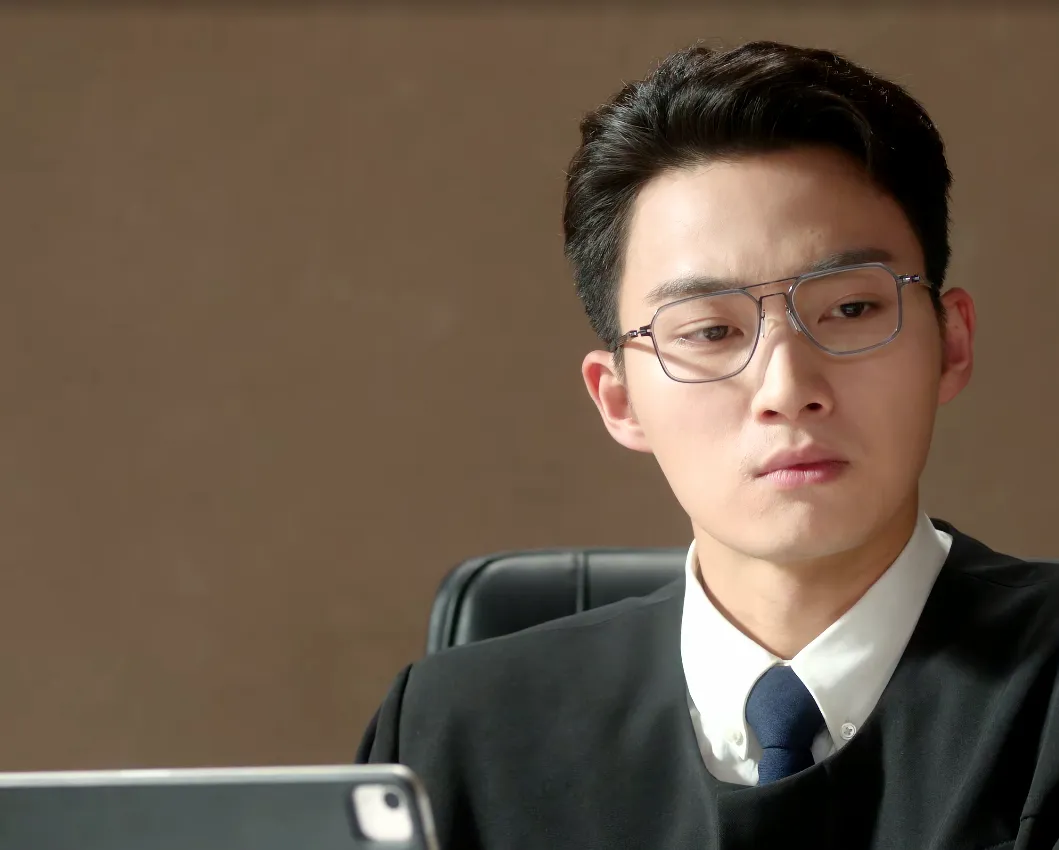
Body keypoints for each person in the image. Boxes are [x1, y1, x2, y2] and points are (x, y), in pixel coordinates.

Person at [357, 40, 1059, 848]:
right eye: (709, 331)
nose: (786, 387)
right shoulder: (452, 736)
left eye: (849, 310)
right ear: (618, 399)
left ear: (951, 343)